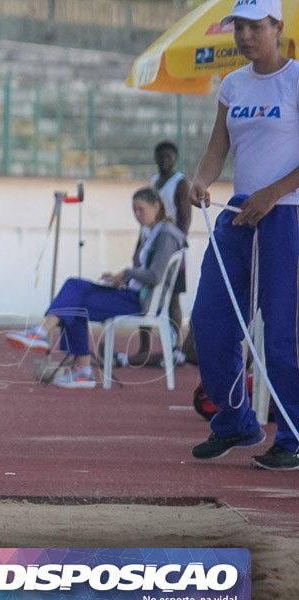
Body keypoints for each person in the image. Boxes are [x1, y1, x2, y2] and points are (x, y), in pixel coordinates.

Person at [188, 0, 299, 470]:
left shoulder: (295, 79)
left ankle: (292, 435)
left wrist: (272, 194)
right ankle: (235, 423)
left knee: (280, 334)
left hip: (287, 216)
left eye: (256, 27)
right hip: (238, 217)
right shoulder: (232, 85)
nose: (245, 36)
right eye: (239, 27)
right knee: (210, 324)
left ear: (277, 26)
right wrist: (201, 179)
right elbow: (219, 147)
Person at [6, 187, 186, 389]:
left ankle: (45, 337)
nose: (137, 215)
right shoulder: (152, 232)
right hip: (130, 292)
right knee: (74, 287)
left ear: (156, 206)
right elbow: (144, 273)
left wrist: (127, 273)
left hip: (139, 301)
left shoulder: (166, 235)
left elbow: (155, 275)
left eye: (141, 209)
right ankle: (75, 365)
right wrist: (120, 278)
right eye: (134, 210)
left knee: (74, 298)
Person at [128, 141, 193, 366]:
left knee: (173, 297)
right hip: (150, 242)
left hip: (170, 244)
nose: (164, 160)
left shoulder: (181, 183)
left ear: (175, 158)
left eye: (168, 156)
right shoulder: (154, 183)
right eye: (161, 156)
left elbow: (185, 216)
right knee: (143, 292)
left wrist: (179, 243)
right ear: (156, 158)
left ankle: (175, 347)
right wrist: (138, 246)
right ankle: (144, 348)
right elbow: (145, 221)